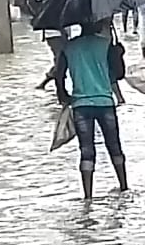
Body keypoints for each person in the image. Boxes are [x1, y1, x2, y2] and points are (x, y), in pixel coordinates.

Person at [55, 19, 129, 199]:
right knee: (114, 146)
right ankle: (124, 187)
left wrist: (64, 97)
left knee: (86, 151)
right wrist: (117, 51)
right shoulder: (105, 45)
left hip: (81, 105)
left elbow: (59, 76)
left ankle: (88, 196)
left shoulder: (69, 48)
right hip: (105, 103)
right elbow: (118, 74)